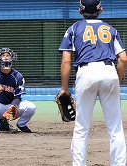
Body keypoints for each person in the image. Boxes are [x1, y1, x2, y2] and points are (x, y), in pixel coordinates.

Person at [58, 0, 127, 165]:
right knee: (115, 128)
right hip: (109, 70)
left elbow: (66, 61)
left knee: (81, 129)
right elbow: (123, 59)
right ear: (100, 9)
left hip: (86, 72)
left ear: (80, 11)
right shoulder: (111, 29)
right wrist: (116, 81)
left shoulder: (74, 28)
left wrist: (65, 89)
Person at [0, 48, 36, 133]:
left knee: (31, 107)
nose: (5, 58)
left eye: (8, 56)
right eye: (3, 55)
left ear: (12, 59)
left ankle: (22, 124)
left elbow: (17, 96)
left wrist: (13, 106)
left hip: (12, 106)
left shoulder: (18, 76)